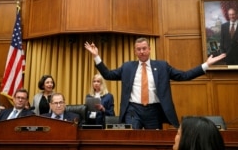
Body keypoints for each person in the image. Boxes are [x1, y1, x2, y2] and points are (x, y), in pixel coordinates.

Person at [84, 37, 226, 129]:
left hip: (154, 111)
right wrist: (96, 56)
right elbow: (108, 75)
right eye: (138, 49)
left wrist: (206, 65)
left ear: (149, 49)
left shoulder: (162, 66)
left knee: (154, 141)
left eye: (144, 48)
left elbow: (184, 76)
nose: (142, 52)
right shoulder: (127, 67)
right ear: (135, 51)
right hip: (133, 110)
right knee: (133, 141)